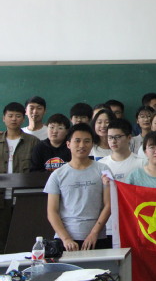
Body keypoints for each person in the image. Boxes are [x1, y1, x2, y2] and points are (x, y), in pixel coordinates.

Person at [44, 123, 111, 251]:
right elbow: (52, 211)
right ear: (68, 144)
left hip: (97, 238)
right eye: (77, 141)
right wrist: (66, 239)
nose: (82, 145)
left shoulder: (104, 169)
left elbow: (109, 205)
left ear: (92, 144)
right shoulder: (57, 174)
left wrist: (94, 233)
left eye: (87, 141)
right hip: (65, 240)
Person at [0, 102, 39, 251]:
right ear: (3, 118)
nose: (14, 119)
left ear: (23, 118)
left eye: (18, 116)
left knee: (23, 239)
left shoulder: (33, 142)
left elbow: (36, 171)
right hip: (1, 198)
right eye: (10, 116)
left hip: (24, 198)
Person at [99, 119, 144, 241]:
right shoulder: (101, 165)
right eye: (110, 137)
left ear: (129, 137)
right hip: (109, 225)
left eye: (117, 137)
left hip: (135, 224)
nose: (113, 141)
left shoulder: (142, 163)